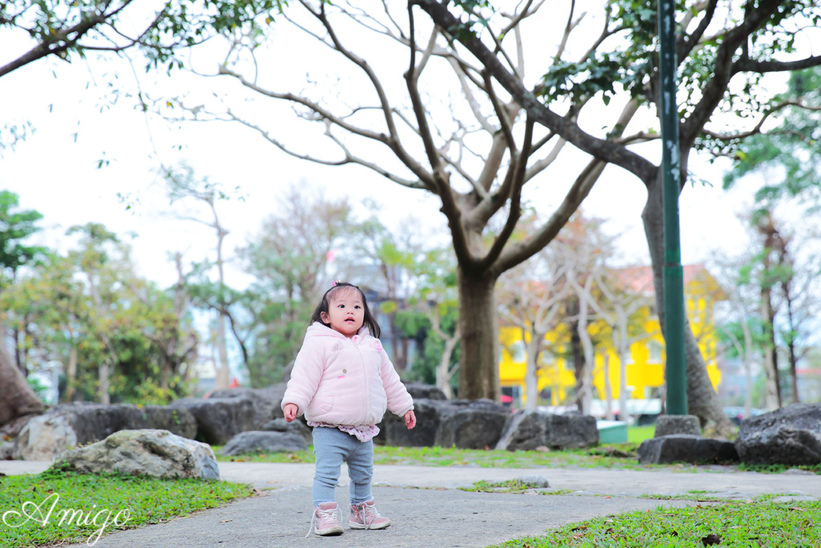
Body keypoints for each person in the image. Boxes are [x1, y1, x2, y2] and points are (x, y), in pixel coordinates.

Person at [282, 282, 417, 537]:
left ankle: (361, 510)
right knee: (326, 474)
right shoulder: (319, 343)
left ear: (365, 312)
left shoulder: (373, 346)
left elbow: (390, 380)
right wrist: (294, 402)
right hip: (329, 426)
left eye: (357, 306)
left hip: (364, 428)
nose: (350, 311)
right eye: (341, 306)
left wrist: (405, 407)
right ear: (325, 316)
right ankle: (325, 513)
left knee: (364, 474)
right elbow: (303, 377)